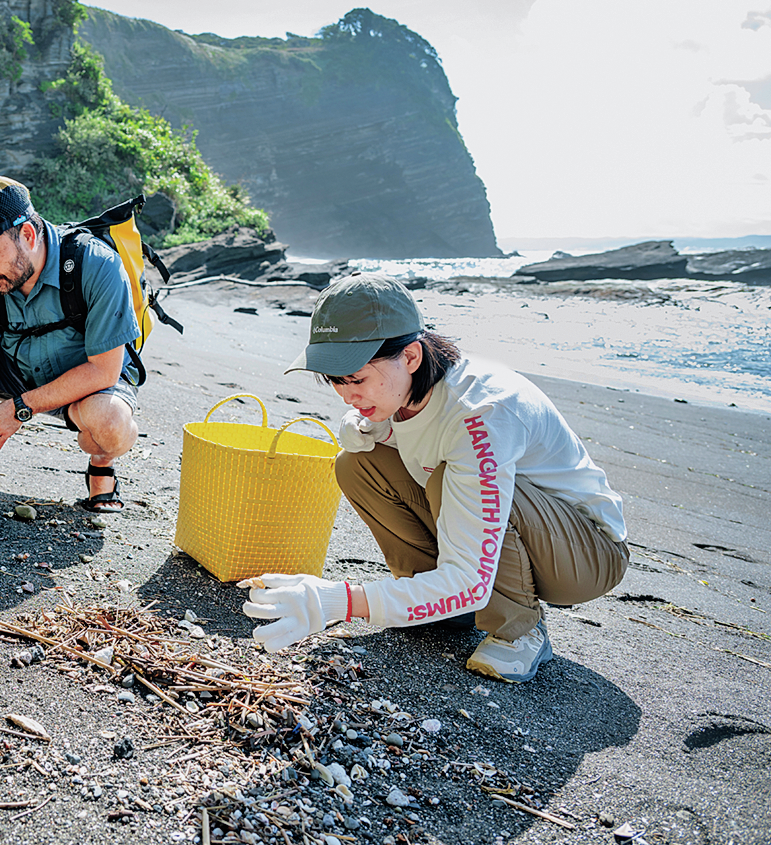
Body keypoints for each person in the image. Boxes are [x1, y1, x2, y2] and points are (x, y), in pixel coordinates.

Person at [241, 274, 629, 682]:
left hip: (584, 556)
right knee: (357, 465)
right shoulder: (404, 392)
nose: (346, 394)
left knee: (451, 479)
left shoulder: (480, 413)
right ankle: (440, 603)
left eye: (356, 379)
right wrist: (378, 426)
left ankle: (519, 630)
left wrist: (339, 601)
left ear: (410, 356)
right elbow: (408, 438)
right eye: (336, 381)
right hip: (516, 537)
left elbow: (468, 577)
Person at [0, 176, 141, 514]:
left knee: (110, 425)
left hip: (88, 383)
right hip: (21, 369)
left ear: (28, 235)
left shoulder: (97, 265)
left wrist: (20, 407)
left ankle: (102, 463)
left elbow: (104, 370)